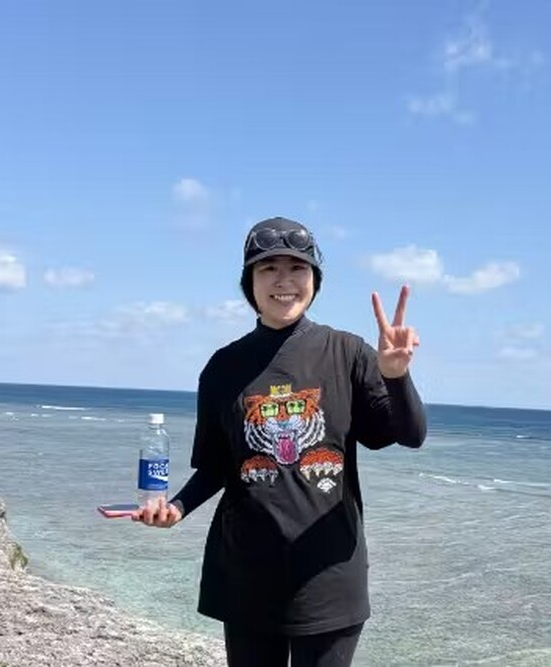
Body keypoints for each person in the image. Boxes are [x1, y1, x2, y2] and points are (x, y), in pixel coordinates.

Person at [129, 216, 427, 667]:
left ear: (314, 281)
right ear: (249, 283)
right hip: (247, 575)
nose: (283, 281)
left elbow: (410, 435)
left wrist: (396, 376)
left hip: (329, 577)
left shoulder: (346, 353)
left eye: (297, 268)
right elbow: (217, 465)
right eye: (268, 268)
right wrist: (177, 508)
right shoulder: (223, 367)